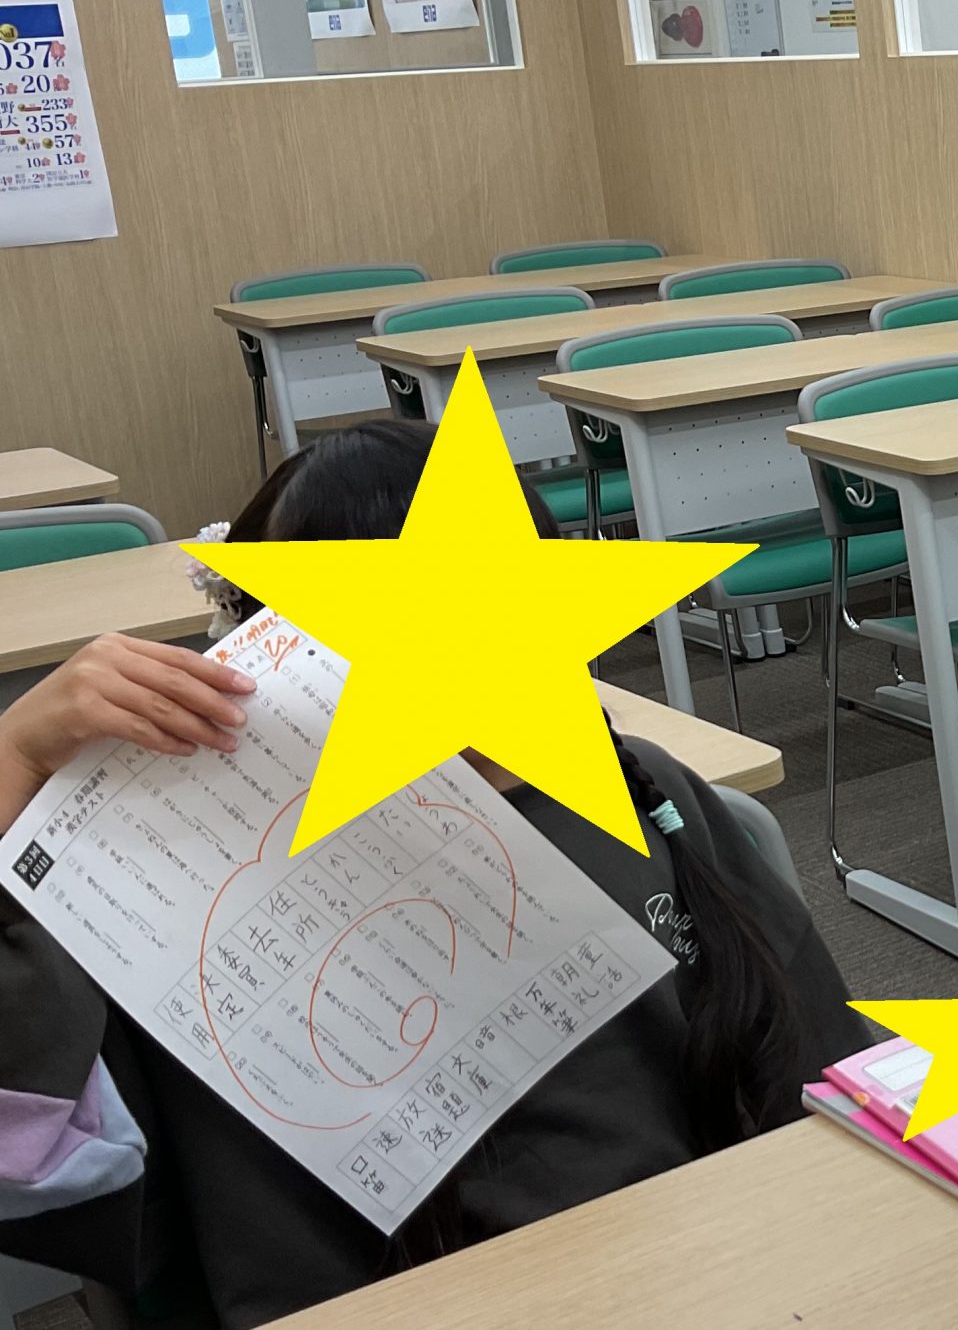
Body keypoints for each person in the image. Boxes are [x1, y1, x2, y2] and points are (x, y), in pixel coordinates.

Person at [0, 421, 870, 1327]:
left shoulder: (640, 795)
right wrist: (15, 756)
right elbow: (32, 1145)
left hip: (714, 1271)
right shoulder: (171, 885)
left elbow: (826, 1073)